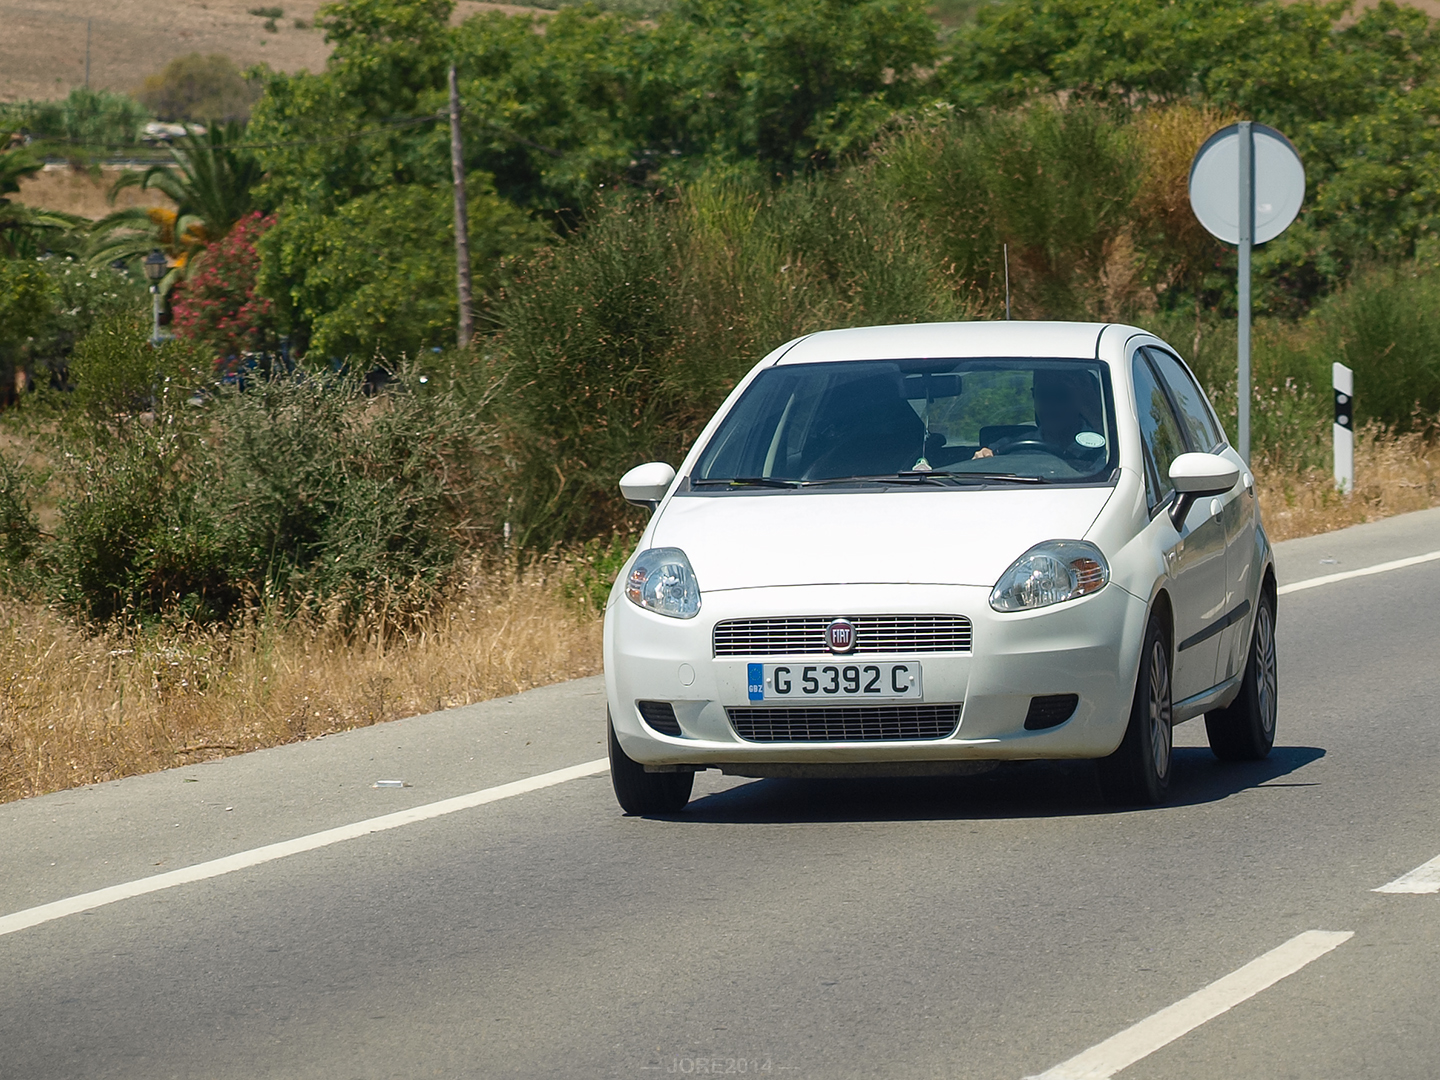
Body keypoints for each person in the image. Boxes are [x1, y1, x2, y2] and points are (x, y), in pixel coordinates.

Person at [973, 368, 1105, 462]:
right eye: (1043, 394)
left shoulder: (1107, 449)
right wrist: (982, 460)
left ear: (1081, 400)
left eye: (1061, 394)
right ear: (1033, 396)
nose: (1051, 403)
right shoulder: (1009, 449)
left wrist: (1095, 416)